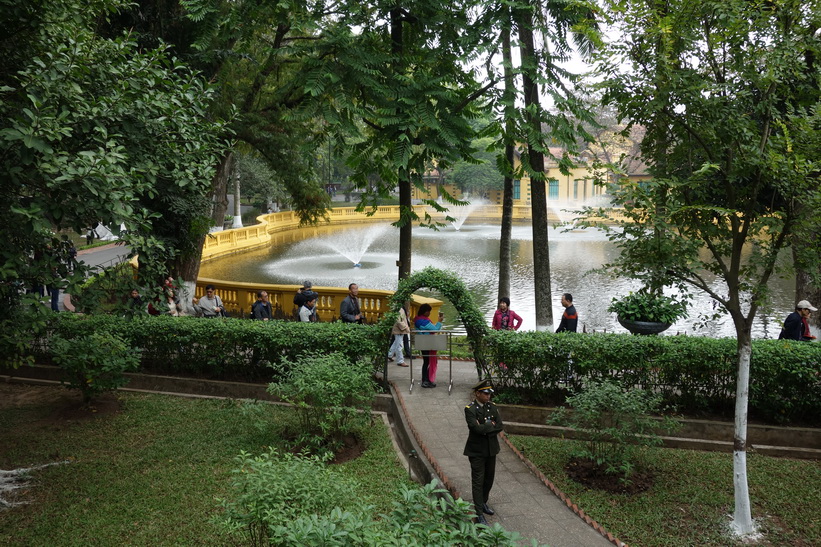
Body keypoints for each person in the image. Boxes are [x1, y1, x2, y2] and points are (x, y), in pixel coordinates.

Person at [463, 379, 504, 525]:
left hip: (491, 449)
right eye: (485, 394)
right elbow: (474, 428)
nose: (488, 397)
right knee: (478, 481)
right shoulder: (470, 409)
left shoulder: (492, 407)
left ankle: (483, 502)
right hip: (476, 451)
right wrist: (489, 426)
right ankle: (478, 513)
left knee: (489, 479)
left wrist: (485, 428)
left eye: (489, 394)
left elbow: (499, 426)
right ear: (477, 393)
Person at [414, 303, 442, 388]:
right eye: (428, 311)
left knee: (426, 361)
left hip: (423, 342)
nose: (429, 313)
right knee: (427, 361)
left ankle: (426, 379)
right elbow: (435, 329)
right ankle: (425, 380)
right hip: (427, 343)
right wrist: (439, 321)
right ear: (425, 311)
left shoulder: (417, 319)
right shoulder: (424, 321)